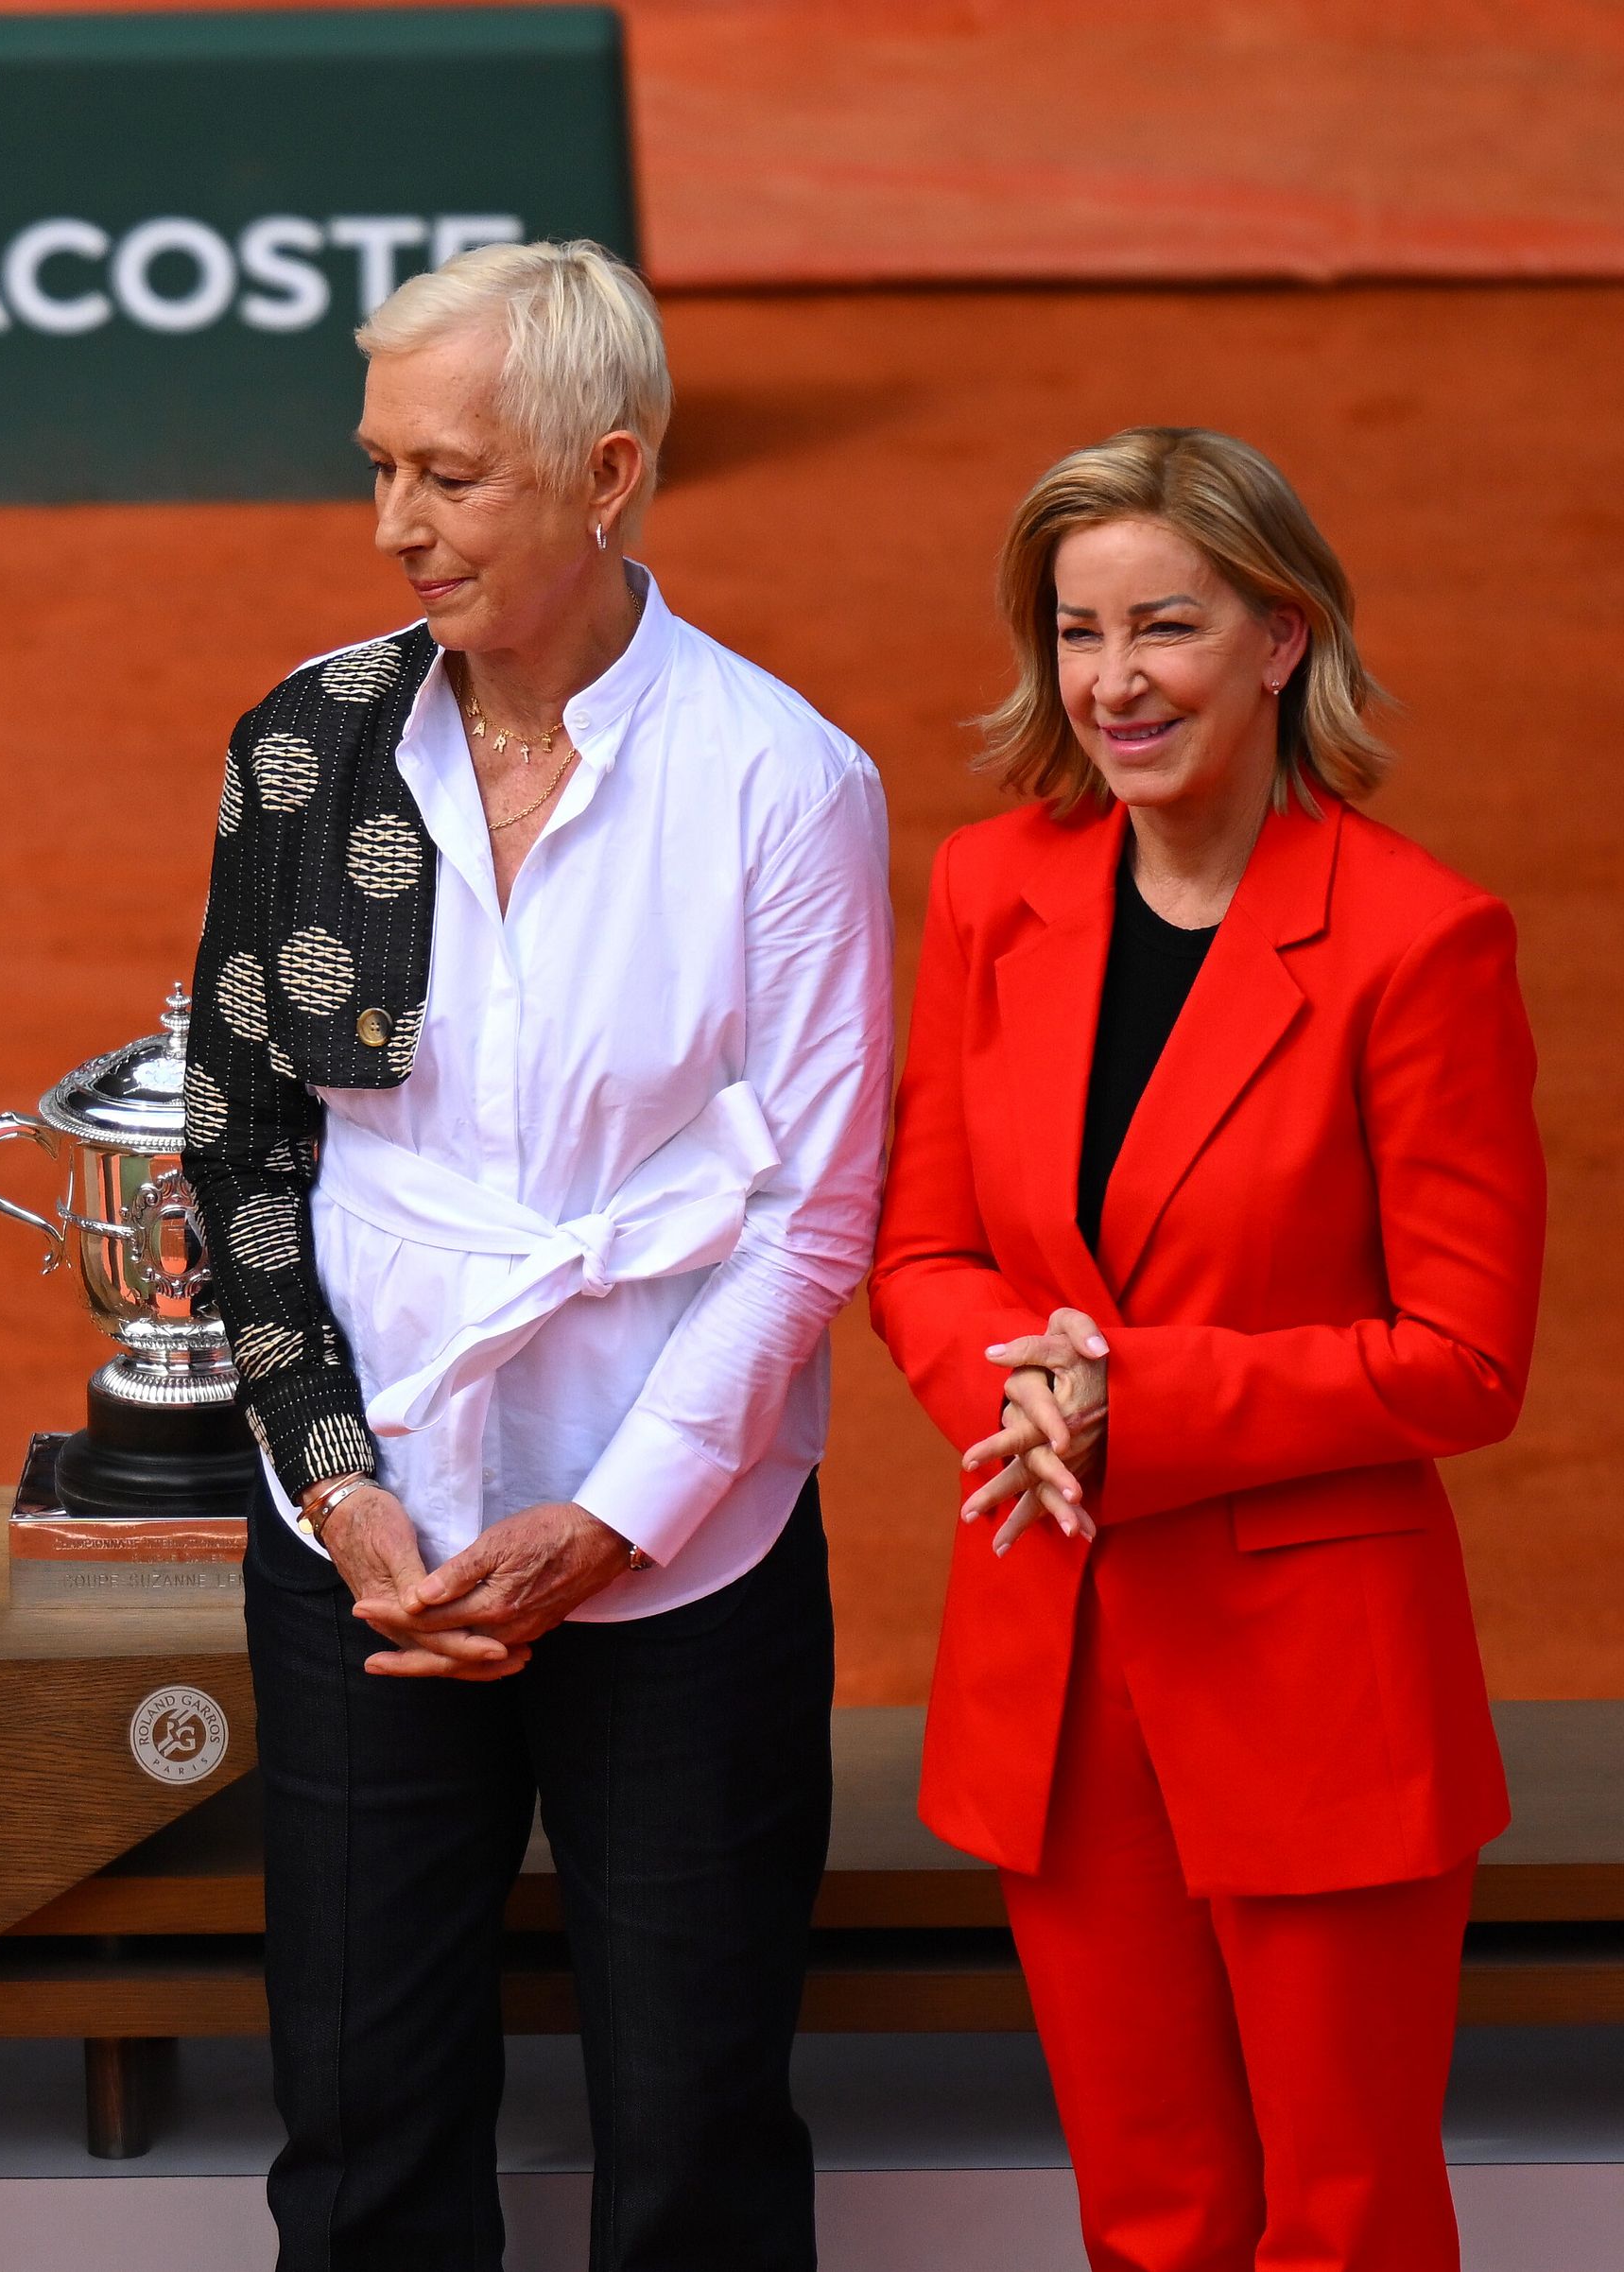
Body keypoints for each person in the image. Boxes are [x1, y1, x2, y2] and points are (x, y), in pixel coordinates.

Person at [180, 237, 892, 2270]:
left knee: (689, 2122)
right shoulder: (302, 748)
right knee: (358, 2117)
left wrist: (614, 1516)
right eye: (377, 467)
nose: (396, 525)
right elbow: (241, 1133)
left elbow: (807, 1212)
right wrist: (331, 1479)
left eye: (451, 475)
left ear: (602, 473)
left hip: (681, 1552)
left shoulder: (778, 780)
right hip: (364, 1529)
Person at [871, 428, 1538, 2272]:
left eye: (1159, 624)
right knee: (1148, 2213)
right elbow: (918, 1244)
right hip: (1057, 1669)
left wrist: (1128, 1395)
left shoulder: (1418, 940)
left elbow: (1462, 1355)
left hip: (1315, 1687)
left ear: (1277, 635)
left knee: (1340, 2218)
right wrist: (1016, 1388)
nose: (1109, 679)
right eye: (1074, 629)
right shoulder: (993, 889)